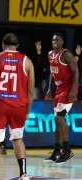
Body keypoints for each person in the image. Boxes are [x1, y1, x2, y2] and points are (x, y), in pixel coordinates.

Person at [0, 33, 34, 180]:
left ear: (3, 44)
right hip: (19, 105)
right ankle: (23, 174)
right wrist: (27, 110)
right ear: (17, 46)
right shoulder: (27, 61)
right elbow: (31, 90)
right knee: (18, 139)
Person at [44, 33, 79, 164]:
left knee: (60, 117)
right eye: (53, 39)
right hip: (59, 89)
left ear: (62, 41)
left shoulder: (66, 54)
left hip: (69, 87)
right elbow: (52, 73)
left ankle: (67, 150)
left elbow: (76, 71)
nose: (55, 41)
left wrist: (73, 89)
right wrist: (49, 88)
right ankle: (57, 150)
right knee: (56, 119)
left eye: (57, 39)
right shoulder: (50, 54)